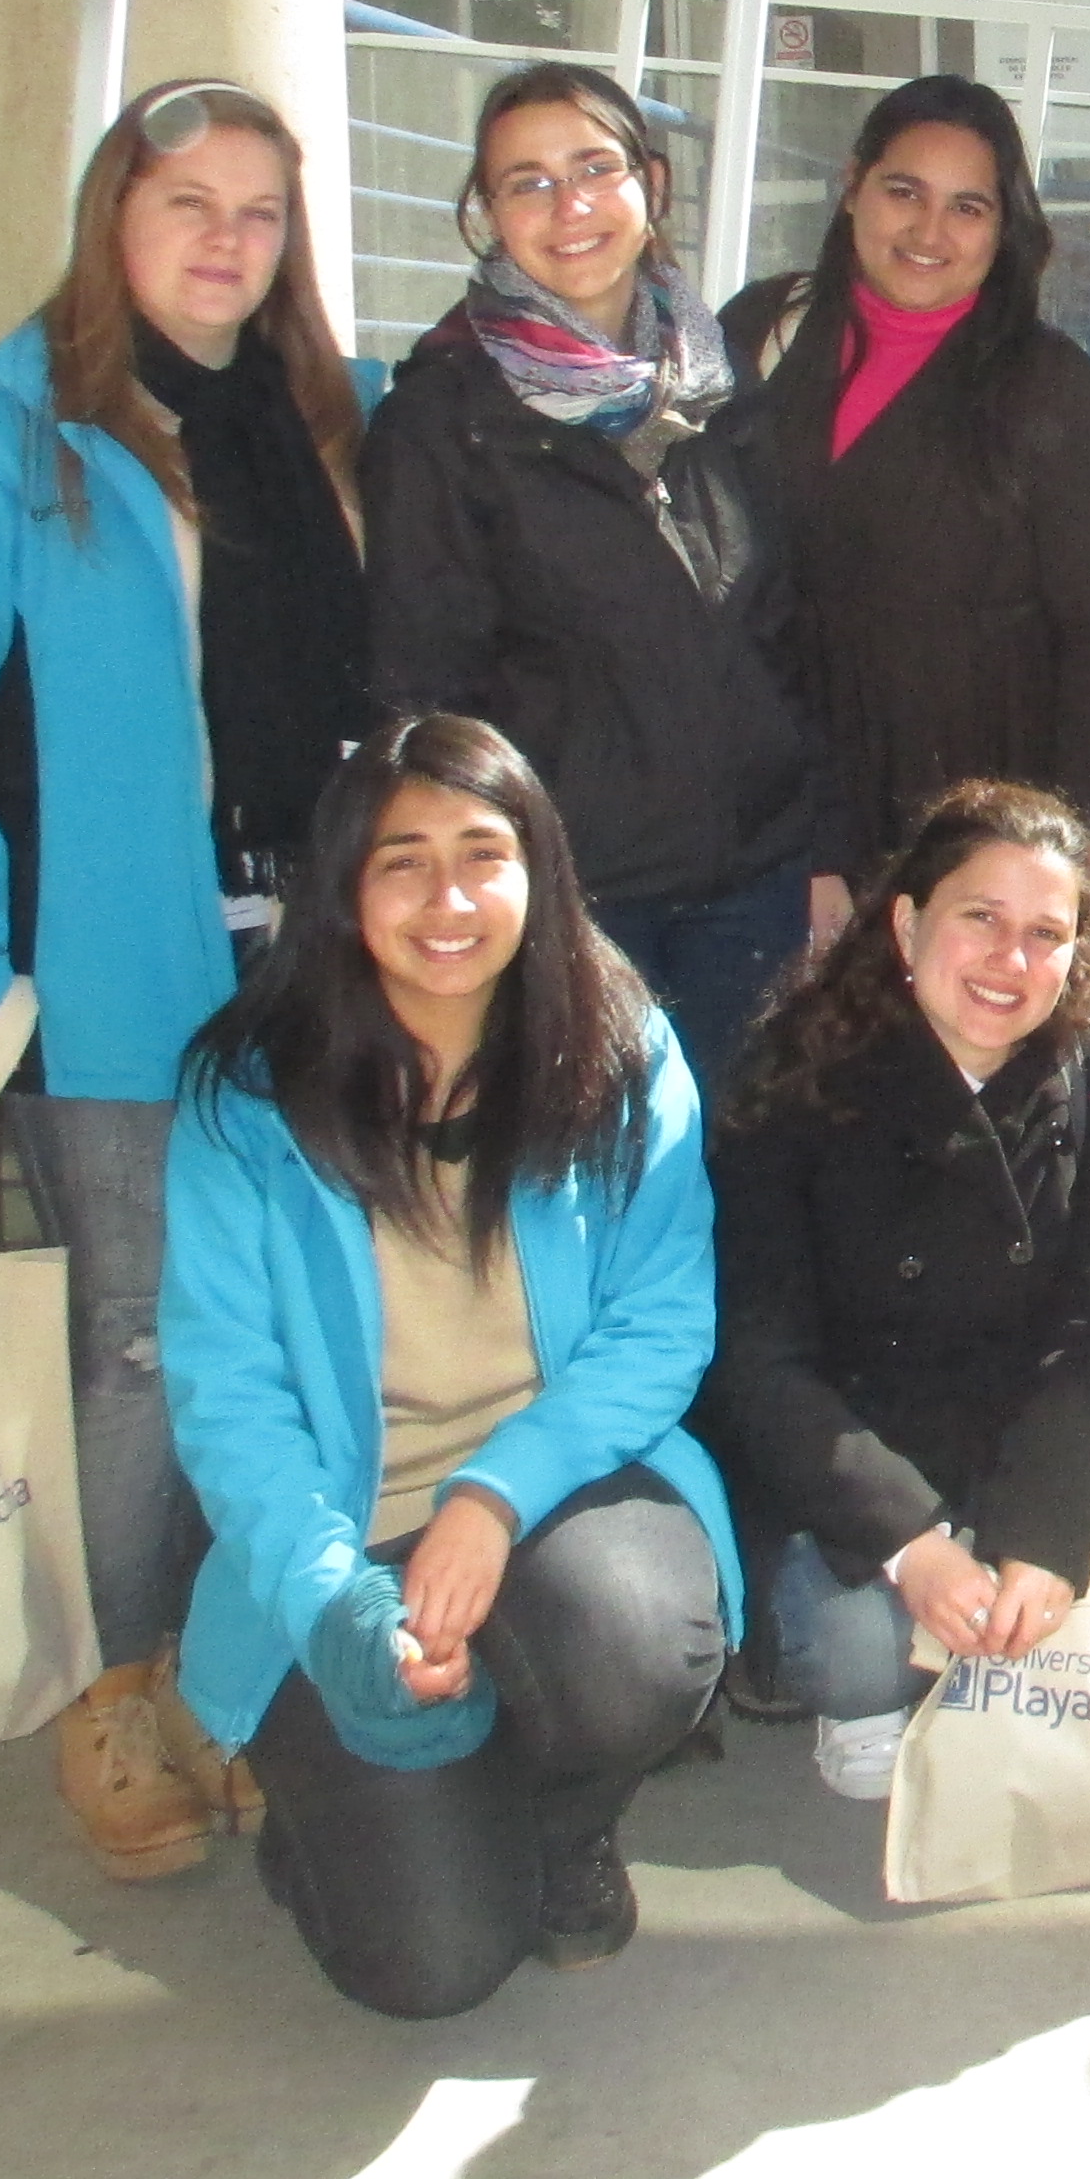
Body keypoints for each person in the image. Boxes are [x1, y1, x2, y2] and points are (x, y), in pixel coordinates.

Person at [0, 77, 376, 1881]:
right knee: (138, 1341)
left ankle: (235, 1669)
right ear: (110, 223)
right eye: (186, 206)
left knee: (295, 1330)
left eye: (260, 211)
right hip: (110, 966)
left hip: (317, 962)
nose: (228, 241)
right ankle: (115, 1687)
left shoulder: (330, 423)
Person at [161, 714, 735, 2020]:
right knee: (435, 1970)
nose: (450, 900)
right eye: (403, 863)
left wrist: (491, 1494)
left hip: (549, 1497)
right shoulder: (245, 1098)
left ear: (540, 870)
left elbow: (660, 1327)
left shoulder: (623, 1054)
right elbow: (228, 1394)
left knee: (637, 1651)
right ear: (343, 889)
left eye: (484, 854)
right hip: (336, 1531)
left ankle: (562, 1821)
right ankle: (335, 1817)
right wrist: (335, 1606)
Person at [710, 778, 1090, 1801]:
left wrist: (1044, 1541)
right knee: (855, 1655)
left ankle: (1001, 1642)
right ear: (906, 924)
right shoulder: (794, 1081)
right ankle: (911, 1670)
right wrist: (914, 1547)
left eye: (1045, 934)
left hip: (1023, 1415)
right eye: (980, 918)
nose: (1009, 961)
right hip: (856, 1440)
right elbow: (759, 1357)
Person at [363, 60, 831, 1103]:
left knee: (741, 1177)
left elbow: (788, 629)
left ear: (649, 185)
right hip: (575, 905)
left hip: (750, 890)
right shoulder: (442, 421)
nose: (568, 206)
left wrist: (814, 834)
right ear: (487, 214)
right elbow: (425, 695)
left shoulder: (721, 386)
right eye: (527, 183)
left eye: (592, 169)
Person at [720, 75, 1090, 851]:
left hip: (968, 821)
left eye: (967, 208)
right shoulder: (760, 331)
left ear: (1003, 226)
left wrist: (1081, 855)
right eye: (904, 192)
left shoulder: (1046, 382)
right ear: (853, 186)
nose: (929, 231)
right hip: (773, 810)